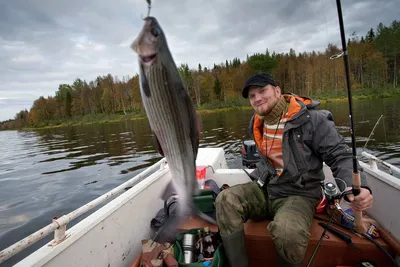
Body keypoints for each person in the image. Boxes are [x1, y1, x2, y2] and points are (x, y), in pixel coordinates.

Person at [215, 72, 373, 267]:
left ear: (278, 90)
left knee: (287, 231)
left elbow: (340, 155)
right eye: (252, 96)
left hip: (299, 193)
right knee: (225, 200)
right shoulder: (256, 122)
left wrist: (355, 187)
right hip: (266, 188)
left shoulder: (313, 120)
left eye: (262, 91)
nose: (257, 99)